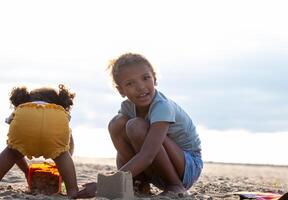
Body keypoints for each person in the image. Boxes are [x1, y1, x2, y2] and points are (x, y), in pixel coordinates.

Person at [78, 53, 203, 197]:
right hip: (156, 167)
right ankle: (140, 182)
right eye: (130, 83)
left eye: (145, 78)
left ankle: (175, 185)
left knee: (135, 126)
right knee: (116, 124)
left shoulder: (162, 107)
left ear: (154, 79)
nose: (141, 87)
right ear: (121, 90)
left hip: (187, 166)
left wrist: (106, 185)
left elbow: (148, 154)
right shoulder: (127, 107)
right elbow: (126, 144)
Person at [0, 84, 78, 198]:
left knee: (13, 151)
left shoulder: (23, 107)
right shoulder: (59, 111)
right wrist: (64, 159)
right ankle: (72, 190)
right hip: (54, 136)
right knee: (62, 153)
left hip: (23, 128)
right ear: (59, 102)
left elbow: (11, 124)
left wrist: (27, 171)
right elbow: (69, 138)